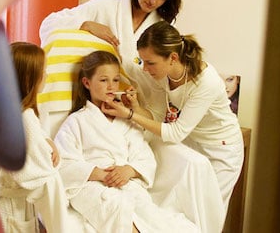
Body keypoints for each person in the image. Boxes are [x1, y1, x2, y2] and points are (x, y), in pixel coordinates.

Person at [101, 21, 244, 218]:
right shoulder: (163, 75)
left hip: (222, 149)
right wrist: (134, 107)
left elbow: (175, 133)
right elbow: (157, 116)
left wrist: (130, 115)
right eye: (143, 62)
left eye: (150, 63)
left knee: (207, 214)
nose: (145, 69)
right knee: (183, 207)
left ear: (173, 58)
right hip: (193, 140)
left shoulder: (206, 82)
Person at [53, 50, 199, 233]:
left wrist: (129, 170)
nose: (111, 86)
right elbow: (63, 164)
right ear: (86, 82)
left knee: (150, 214)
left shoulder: (125, 120)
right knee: (115, 208)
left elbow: (143, 155)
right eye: (104, 80)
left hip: (125, 182)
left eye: (115, 80)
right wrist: (98, 173)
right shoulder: (76, 121)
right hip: (90, 185)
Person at [39, 0, 183, 117]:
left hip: (136, 105)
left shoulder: (162, 28)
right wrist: (86, 24)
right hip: (92, 102)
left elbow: (165, 73)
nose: (153, 0)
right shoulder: (104, 6)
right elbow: (49, 24)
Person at [0, 42, 79, 232]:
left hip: (4, 207)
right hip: (13, 214)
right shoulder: (25, 119)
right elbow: (47, 182)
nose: (46, 75)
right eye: (43, 70)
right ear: (28, 77)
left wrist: (46, 142)